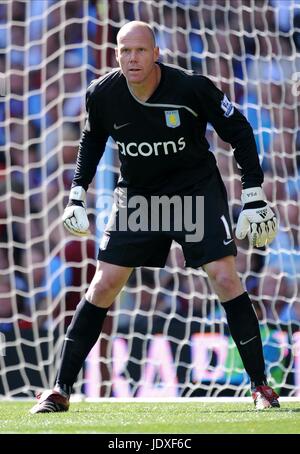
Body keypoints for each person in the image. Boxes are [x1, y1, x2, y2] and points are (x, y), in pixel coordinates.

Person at [30, 21, 279, 413]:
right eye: (125, 51)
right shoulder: (103, 94)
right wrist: (77, 192)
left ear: (156, 53)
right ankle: (59, 389)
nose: (132, 58)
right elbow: (92, 140)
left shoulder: (190, 88)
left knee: (226, 277)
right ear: (116, 54)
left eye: (140, 50)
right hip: (140, 196)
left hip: (193, 190)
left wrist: (252, 191)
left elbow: (240, 130)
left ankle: (261, 386)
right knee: (104, 284)